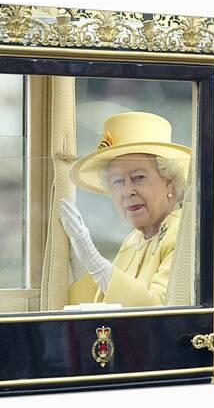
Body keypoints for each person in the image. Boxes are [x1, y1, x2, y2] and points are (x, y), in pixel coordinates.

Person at [60, 111, 190, 307]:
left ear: (169, 182)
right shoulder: (133, 240)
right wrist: (76, 259)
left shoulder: (183, 234)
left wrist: (93, 259)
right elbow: (101, 302)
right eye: (118, 182)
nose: (128, 191)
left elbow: (158, 307)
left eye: (139, 178)